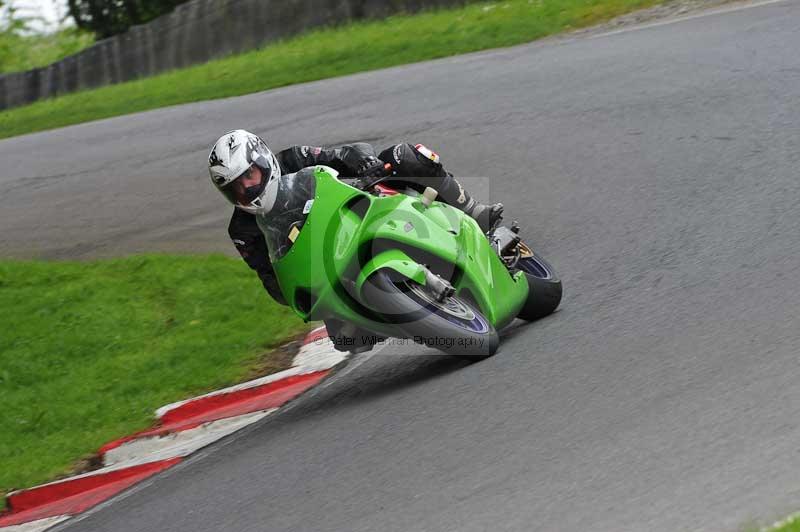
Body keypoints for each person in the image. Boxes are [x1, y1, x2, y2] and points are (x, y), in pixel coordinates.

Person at [209, 129, 503, 350]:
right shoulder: (242, 231)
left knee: (405, 155)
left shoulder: (294, 159)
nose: (246, 188)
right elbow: (272, 279)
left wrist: (363, 162)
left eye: (249, 175)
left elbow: (344, 154)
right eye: (235, 187)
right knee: (347, 337)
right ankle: (384, 310)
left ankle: (472, 210)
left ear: (263, 160)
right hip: (328, 265)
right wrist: (300, 293)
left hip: (363, 206)